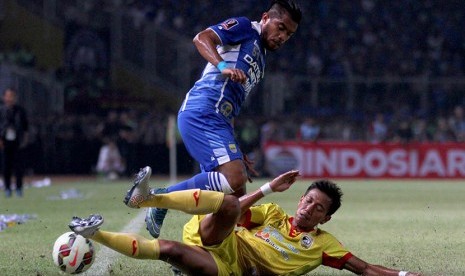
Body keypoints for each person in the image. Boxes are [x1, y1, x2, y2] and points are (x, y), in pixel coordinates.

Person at [143, 0, 302, 238]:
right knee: (234, 178)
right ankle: (159, 199)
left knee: (234, 201)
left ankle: (200, 251)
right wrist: (222, 65)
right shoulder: (246, 27)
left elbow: (232, 106)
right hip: (203, 110)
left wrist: (235, 149)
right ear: (266, 17)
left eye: (289, 34)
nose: (283, 36)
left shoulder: (261, 57)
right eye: (281, 27)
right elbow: (201, 38)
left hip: (219, 120)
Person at [70, 169, 421, 276]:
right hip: (222, 239)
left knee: (168, 249)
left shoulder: (323, 245)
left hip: (230, 271)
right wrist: (268, 189)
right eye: (308, 200)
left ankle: (93, 232)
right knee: (226, 203)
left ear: (325, 218)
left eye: (318, 209)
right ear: (300, 199)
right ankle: (148, 199)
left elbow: (365, 269)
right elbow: (234, 210)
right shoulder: (272, 214)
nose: (309, 209)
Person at [0, 88, 29, 197]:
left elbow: (25, 128)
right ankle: (7, 188)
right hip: (5, 141)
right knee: (6, 166)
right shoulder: (1, 110)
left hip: (17, 141)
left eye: (12, 96)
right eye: (8, 96)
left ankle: (19, 189)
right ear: (4, 97)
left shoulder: (20, 111)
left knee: (18, 167)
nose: (10, 98)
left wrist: (24, 140)